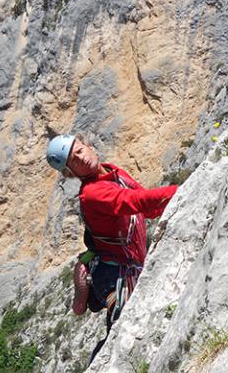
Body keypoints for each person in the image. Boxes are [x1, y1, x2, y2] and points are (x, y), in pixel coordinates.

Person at [46, 134, 178, 322]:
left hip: (131, 266)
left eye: (80, 151)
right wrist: (181, 190)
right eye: (74, 161)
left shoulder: (115, 173)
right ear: (70, 173)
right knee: (127, 322)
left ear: (88, 145)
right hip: (113, 276)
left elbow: (146, 210)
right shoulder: (91, 194)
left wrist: (181, 199)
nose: (81, 158)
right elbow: (136, 201)